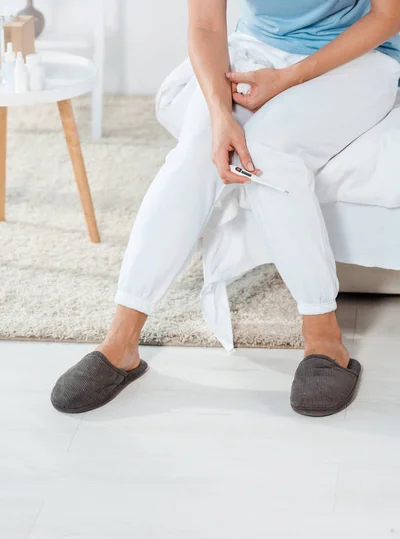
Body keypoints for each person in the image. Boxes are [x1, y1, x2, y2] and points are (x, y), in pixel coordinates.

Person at [51, 0, 400, 417]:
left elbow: (388, 14)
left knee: (267, 154)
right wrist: (220, 115)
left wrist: (288, 79)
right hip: (257, 48)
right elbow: (205, 25)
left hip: (358, 56)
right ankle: (121, 341)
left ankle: (325, 339)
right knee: (197, 155)